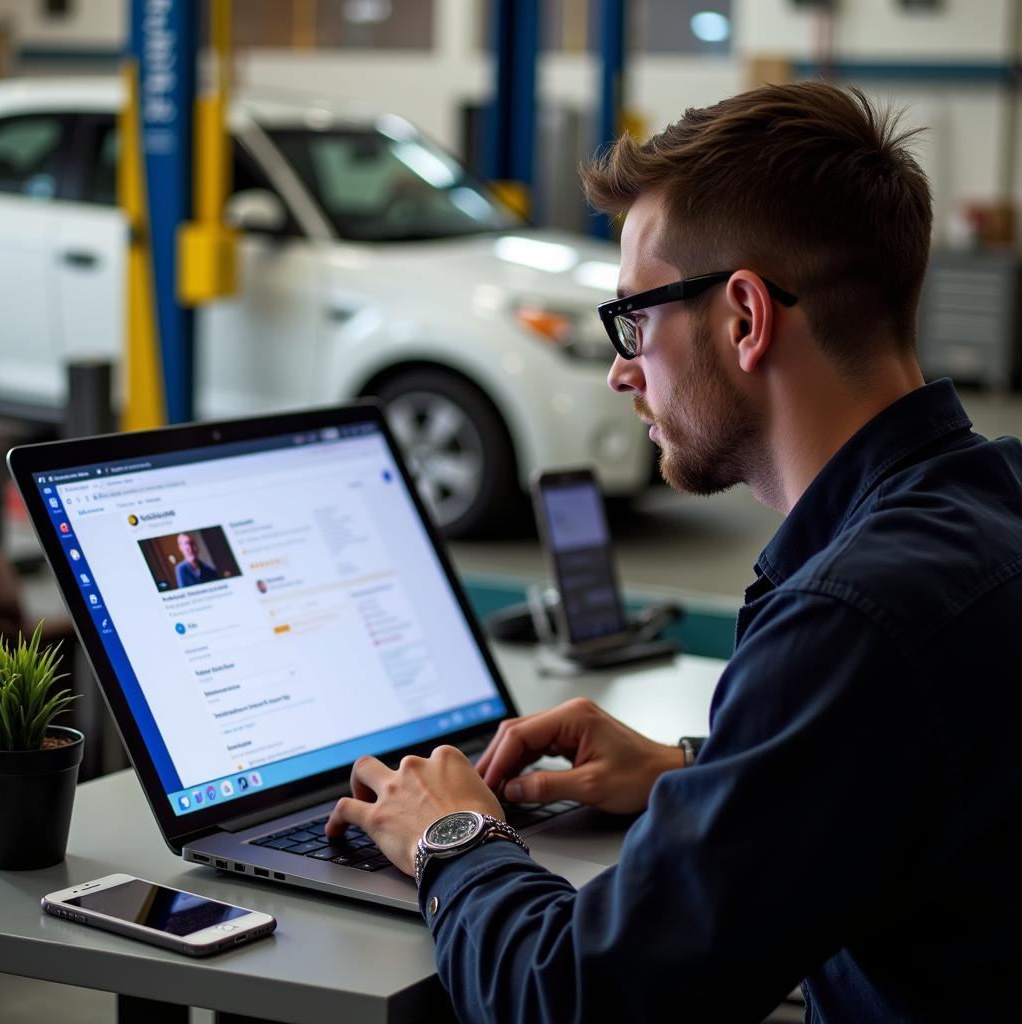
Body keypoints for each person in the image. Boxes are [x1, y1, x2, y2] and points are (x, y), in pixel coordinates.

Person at [325, 81, 1022, 1021]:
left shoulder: (851, 619)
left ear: (744, 317)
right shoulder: (994, 502)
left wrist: (452, 836)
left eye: (634, 319)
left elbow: (580, 999)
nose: (621, 367)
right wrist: (706, 775)